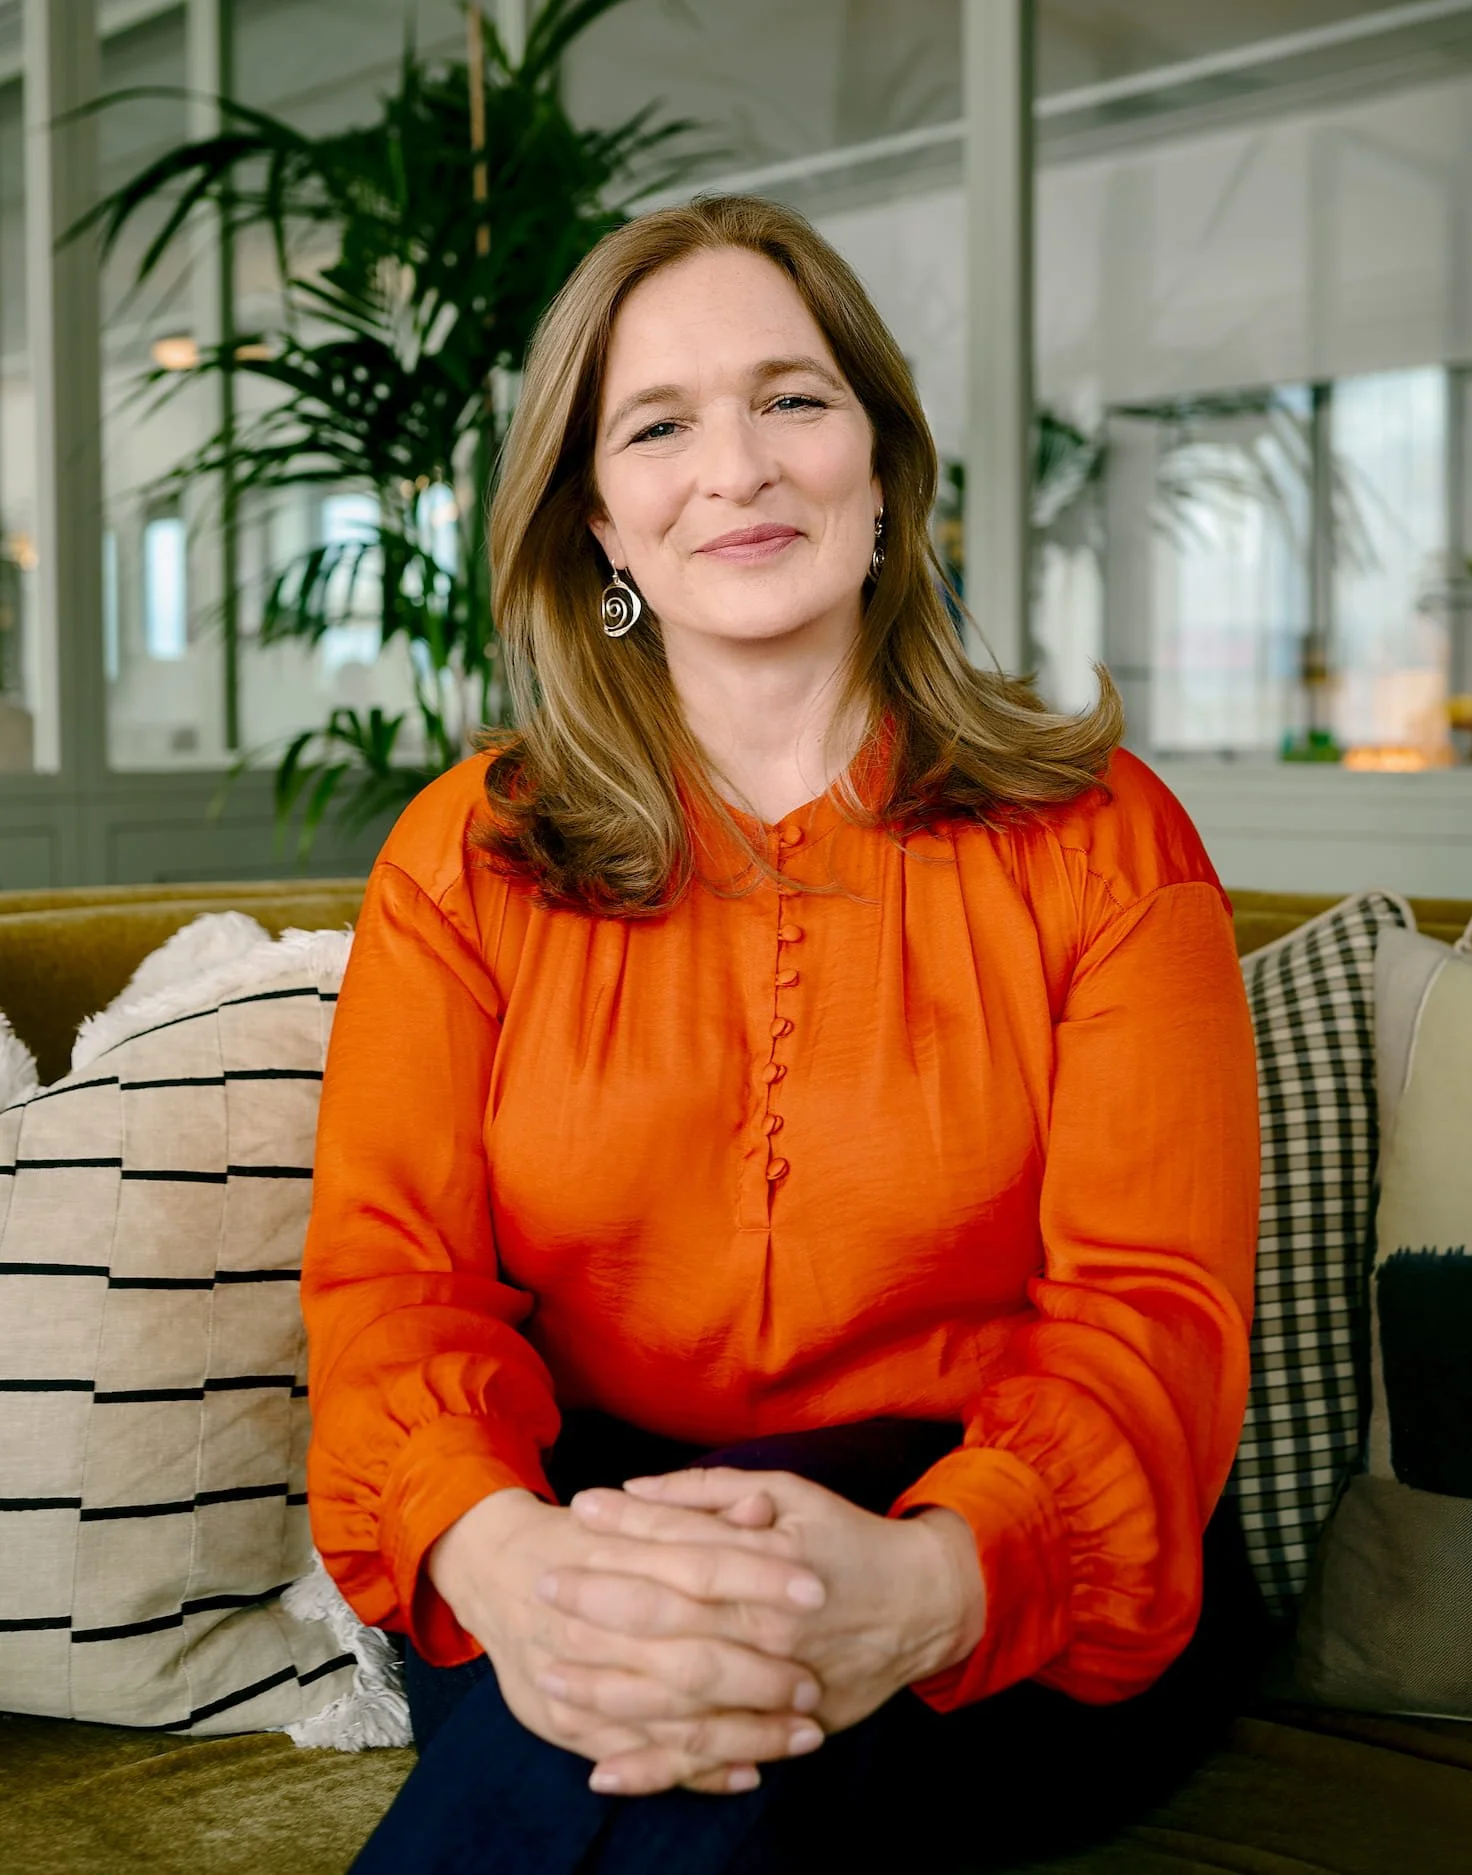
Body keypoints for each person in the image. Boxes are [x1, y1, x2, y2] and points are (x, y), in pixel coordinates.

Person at [301, 193, 1262, 1875]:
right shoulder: (461, 858)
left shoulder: (1109, 839)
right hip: (569, 1524)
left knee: (698, 1761)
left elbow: (1151, 1320)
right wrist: (505, 1555)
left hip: (1001, 1549)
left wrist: (931, 1580)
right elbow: (391, 1290)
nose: (734, 467)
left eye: (791, 400)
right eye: (659, 425)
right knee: (674, 1722)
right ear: (599, 522)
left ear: (882, 469)